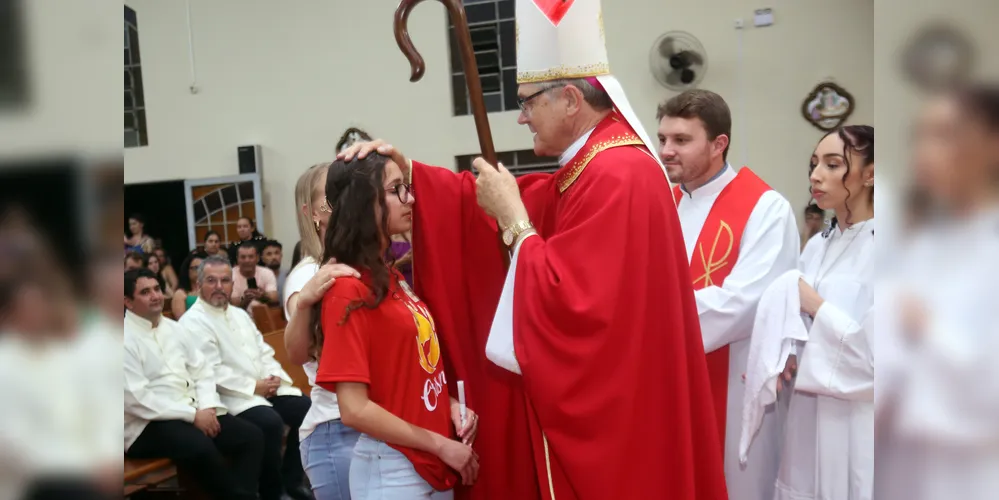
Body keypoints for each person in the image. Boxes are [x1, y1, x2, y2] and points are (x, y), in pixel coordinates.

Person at [339, 1, 727, 498]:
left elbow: (578, 304)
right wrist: (412, 173)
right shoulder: (595, 165)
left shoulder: (618, 173)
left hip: (622, 418)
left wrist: (514, 221)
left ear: (569, 98)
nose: (522, 118)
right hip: (631, 403)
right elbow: (528, 201)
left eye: (528, 102)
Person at [657, 89, 800, 500]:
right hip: (668, 385)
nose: (667, 150)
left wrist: (648, 320)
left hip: (734, 385)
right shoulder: (662, 203)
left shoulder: (765, 207)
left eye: (682, 140)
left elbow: (746, 303)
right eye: (663, 138)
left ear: (719, 144)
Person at [315, 153, 480, 500]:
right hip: (393, 467)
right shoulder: (348, 287)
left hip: (425, 462)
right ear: (363, 202)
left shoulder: (388, 276)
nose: (411, 198)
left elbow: (408, 372)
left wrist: (450, 405)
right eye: (396, 190)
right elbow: (355, 409)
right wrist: (439, 444)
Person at [875, 85, 999, 500]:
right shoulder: (923, 248)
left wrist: (927, 328)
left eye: (945, 134)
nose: (925, 151)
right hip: (905, 464)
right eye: (920, 136)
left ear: (992, 144)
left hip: (974, 470)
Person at [775, 125, 875, 500]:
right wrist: (785, 349)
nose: (816, 175)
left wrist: (815, 305)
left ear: (871, 173)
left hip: (859, 424)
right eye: (814, 163)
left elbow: (879, 360)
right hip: (807, 416)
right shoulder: (818, 245)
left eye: (833, 165)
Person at [123, 268, 264, 499]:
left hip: (194, 411)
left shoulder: (173, 328)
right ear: (127, 301)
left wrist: (207, 406)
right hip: (147, 424)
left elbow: (202, 370)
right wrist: (192, 415)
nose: (156, 296)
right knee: (200, 446)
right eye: (145, 292)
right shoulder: (123, 338)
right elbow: (137, 399)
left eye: (157, 289)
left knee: (250, 436)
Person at [180, 255, 313, 500]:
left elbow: (263, 351)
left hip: (263, 387)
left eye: (225, 281)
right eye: (211, 281)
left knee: (306, 408)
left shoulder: (239, 315)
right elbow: (211, 371)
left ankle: (293, 480)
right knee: (270, 422)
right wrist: (254, 386)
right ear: (199, 285)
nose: (219, 287)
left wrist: (272, 379)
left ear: (233, 284)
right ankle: (273, 491)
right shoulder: (192, 322)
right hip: (230, 396)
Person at [283, 162, 362, 500]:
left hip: (368, 422)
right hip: (337, 426)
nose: (343, 204)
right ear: (311, 212)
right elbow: (308, 349)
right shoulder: (308, 276)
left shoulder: (358, 263)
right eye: (330, 199)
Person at [231, 244, 279, 310]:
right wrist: (246, 300)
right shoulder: (231, 275)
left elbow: (275, 299)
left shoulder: (267, 273)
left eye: (251, 257)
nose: (247, 260)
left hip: (263, 315)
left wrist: (262, 296)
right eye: (243, 257)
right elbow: (234, 305)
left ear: (257, 258)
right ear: (237, 259)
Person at [171, 253, 203, 319]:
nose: (201, 270)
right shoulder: (180, 293)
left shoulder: (210, 290)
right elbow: (182, 320)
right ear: (187, 271)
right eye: (196, 267)